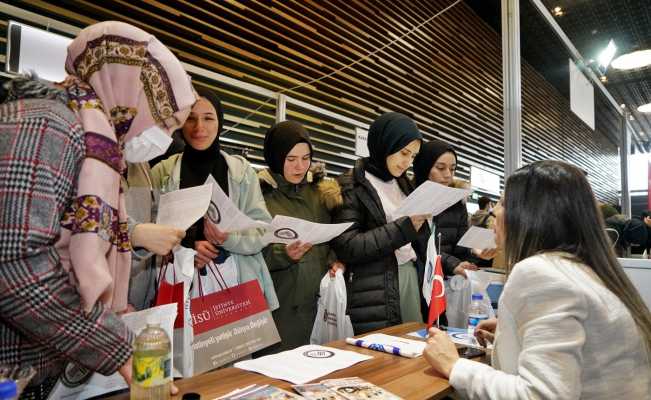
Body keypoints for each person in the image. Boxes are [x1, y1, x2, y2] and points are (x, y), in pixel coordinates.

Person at [0, 21, 196, 398]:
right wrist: (119, 350)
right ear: (129, 95)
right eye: (165, 122)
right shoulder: (48, 124)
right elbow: (16, 264)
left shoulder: (95, 144)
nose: (166, 138)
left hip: (33, 364)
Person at [424, 160, 651, 399]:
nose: (494, 211)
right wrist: (511, 336)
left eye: (503, 202)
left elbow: (542, 395)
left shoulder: (540, 273)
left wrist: (453, 365)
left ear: (529, 214)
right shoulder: (583, 270)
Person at [150, 87, 279, 310]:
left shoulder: (241, 172)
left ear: (219, 122)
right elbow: (147, 233)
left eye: (208, 118)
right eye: (191, 118)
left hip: (237, 287)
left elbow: (262, 231)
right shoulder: (162, 173)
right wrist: (185, 249)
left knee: (231, 344)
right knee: (184, 344)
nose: (199, 127)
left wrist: (228, 238)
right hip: (181, 289)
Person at [332, 112, 430, 334]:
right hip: (373, 288)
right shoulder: (352, 184)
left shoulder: (404, 184)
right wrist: (405, 227)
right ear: (384, 143)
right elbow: (348, 245)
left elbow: (414, 237)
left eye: (413, 156)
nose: (407, 162)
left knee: (413, 347)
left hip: (408, 276)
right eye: (404, 153)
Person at [258, 120, 344, 352]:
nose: (299, 166)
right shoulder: (259, 196)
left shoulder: (320, 195)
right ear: (276, 157)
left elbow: (330, 241)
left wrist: (334, 262)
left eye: (306, 158)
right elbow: (246, 253)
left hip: (319, 307)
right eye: (291, 159)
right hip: (280, 309)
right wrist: (283, 254)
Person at [412, 140, 494, 278]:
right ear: (424, 167)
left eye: (452, 169)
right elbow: (419, 245)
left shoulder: (456, 201)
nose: (448, 175)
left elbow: (461, 244)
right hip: (417, 277)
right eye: (440, 167)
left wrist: (475, 251)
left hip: (446, 279)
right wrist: (453, 264)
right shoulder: (409, 197)